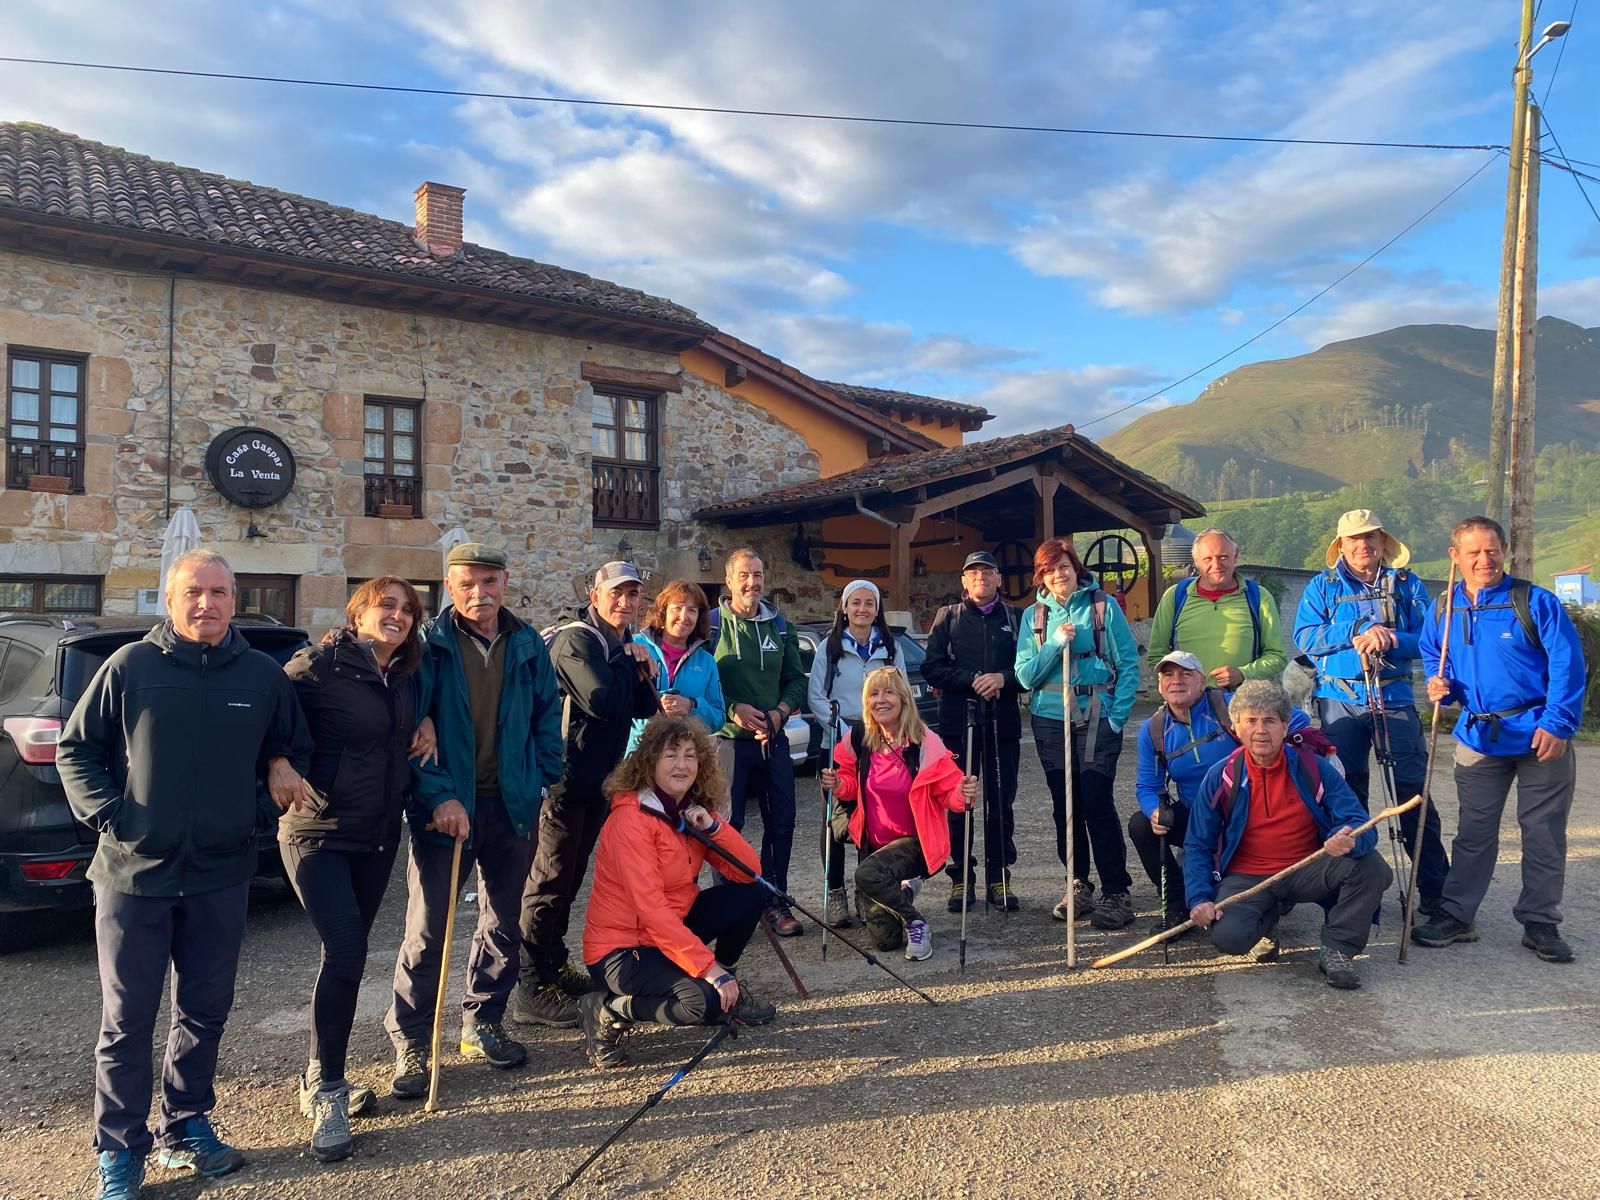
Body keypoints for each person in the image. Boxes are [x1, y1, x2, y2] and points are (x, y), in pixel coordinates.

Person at [58, 549, 312, 1200]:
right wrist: (113, 818)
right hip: (132, 878)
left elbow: (292, 749)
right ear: (171, 601)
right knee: (127, 1022)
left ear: (235, 599)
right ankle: (120, 1150)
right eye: (194, 592)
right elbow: (76, 749)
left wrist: (255, 813)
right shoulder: (131, 668)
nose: (207, 603)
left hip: (220, 875)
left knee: (204, 1012)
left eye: (220, 592)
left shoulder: (261, 675)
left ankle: (186, 1124)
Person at [386, 543, 562, 1096]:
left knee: (503, 920)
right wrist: (438, 797)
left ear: (505, 582)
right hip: (446, 808)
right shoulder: (427, 646)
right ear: (449, 586)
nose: (478, 594)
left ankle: (483, 1019)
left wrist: (543, 779)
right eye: (467, 584)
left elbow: (544, 717)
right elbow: (412, 730)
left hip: (512, 806)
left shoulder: (529, 643)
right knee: (428, 926)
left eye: (489, 582)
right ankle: (413, 1039)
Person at [279, 577, 432, 1163]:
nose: (396, 616)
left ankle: (319, 1067)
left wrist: (431, 722)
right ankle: (328, 1090)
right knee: (345, 952)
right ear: (359, 612)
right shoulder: (318, 666)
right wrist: (275, 761)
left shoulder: (408, 673)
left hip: (376, 837)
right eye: (385, 606)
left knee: (344, 954)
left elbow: (426, 710)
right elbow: (271, 716)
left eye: (407, 610)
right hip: (316, 833)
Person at [1410, 516, 1588, 963]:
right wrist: (1439, 681)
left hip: (1539, 735)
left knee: (1542, 832)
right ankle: (1457, 915)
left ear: (1504, 550)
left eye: (1491, 550)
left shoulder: (1534, 602)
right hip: (1478, 734)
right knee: (1473, 831)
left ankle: (1540, 923)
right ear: (1456, 556)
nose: (1484, 560)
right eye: (1473, 552)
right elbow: (1434, 651)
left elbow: (1569, 663)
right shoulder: (1443, 608)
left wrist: (1559, 723)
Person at [578, 715, 776, 1068]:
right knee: (701, 1003)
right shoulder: (629, 820)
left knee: (752, 894)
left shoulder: (688, 810)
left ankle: (727, 986)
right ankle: (607, 1010)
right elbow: (651, 910)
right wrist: (708, 969)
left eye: (690, 755)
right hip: (622, 949)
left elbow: (750, 873)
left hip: (668, 932)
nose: (682, 765)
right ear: (649, 761)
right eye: (671, 755)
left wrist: (713, 827)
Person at [514, 560, 660, 1028]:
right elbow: (602, 701)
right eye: (616, 593)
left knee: (570, 879)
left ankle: (554, 968)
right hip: (562, 783)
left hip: (595, 782)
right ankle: (531, 987)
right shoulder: (579, 639)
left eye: (633, 595)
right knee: (549, 882)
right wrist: (628, 659)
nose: (625, 602)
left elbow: (643, 706)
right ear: (594, 596)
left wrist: (635, 659)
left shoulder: (617, 644)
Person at [1293, 509, 1450, 915]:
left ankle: (1436, 892)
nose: (1364, 545)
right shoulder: (1322, 587)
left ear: (1383, 542)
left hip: (1394, 698)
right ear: (1341, 545)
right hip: (1340, 699)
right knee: (1347, 792)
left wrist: (1394, 637)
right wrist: (1356, 630)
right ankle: (1352, 890)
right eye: (1355, 539)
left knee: (1413, 795)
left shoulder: (1407, 585)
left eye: (1371, 538)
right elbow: (1306, 638)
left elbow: (1433, 642)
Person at [1186, 680, 1392, 989]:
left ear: (1285, 726)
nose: (1260, 730)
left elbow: (1358, 820)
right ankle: (1267, 922)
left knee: (1371, 867)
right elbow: (1198, 844)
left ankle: (1338, 948)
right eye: (1251, 721)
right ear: (1236, 728)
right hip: (1249, 877)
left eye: (1270, 720)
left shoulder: (1314, 768)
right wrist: (1199, 897)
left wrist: (1348, 837)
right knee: (1229, 938)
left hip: (1308, 867)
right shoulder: (1221, 776)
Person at [1131, 651, 1314, 937]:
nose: (1176, 681)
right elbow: (1147, 785)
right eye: (1168, 675)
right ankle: (1177, 906)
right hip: (1199, 821)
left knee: (1232, 904)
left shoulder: (1227, 706)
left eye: (1185, 674)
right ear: (1159, 685)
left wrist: (1260, 744)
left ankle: (1276, 891)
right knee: (1141, 825)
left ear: (1202, 682)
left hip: (1248, 819)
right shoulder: (1154, 729)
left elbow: (1297, 721)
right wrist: (1154, 809)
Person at [1014, 539, 1139, 928]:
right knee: (1064, 808)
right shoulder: (1033, 617)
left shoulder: (1103, 606)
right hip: (1050, 720)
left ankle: (1116, 890)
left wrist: (1118, 717)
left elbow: (1129, 663)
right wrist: (1054, 643)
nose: (1058, 575)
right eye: (1050, 570)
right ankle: (1078, 884)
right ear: (1042, 576)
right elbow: (1024, 676)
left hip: (1097, 718)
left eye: (1064, 567)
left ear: (1075, 568)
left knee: (1096, 801)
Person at [820, 668, 978, 958]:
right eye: (874, 694)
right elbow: (848, 785)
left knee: (866, 874)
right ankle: (903, 892)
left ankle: (915, 921)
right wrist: (839, 783)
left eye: (888, 692)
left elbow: (949, 793)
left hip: (913, 843)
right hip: (873, 845)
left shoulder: (924, 742)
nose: (881, 700)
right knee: (885, 941)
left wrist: (963, 793)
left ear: (903, 698)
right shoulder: (858, 738)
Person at [922, 550, 1026, 913]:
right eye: (973, 572)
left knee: (1001, 803)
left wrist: (1003, 679)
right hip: (958, 726)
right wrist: (971, 680)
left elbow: (1029, 671)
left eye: (987, 571)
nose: (980, 576)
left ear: (999, 579)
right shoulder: (947, 618)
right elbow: (931, 668)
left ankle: (1000, 876)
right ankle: (960, 877)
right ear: (964, 581)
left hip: (1003, 725)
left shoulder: (1017, 618)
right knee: (958, 803)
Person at [711, 548, 808, 937]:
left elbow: (796, 680)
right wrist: (734, 708)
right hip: (729, 741)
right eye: (745, 575)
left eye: (758, 574)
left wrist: (780, 713)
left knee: (781, 821)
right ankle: (728, 908)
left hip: (774, 737)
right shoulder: (712, 625)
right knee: (727, 825)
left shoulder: (781, 627)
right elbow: (702, 680)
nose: (753, 582)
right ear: (729, 580)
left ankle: (774, 902)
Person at [807, 578, 907, 925]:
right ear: (845, 608)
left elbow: (902, 693)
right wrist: (848, 733)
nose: (862, 609)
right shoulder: (829, 648)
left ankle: (870, 890)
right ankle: (835, 891)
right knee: (835, 820)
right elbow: (816, 696)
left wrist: (881, 731)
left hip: (879, 746)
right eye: (856, 603)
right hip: (837, 742)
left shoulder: (890, 648)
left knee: (873, 820)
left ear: (877, 610)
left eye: (869, 603)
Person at [1148, 528, 1287, 689]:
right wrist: (1181, 682)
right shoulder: (1175, 596)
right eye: (1208, 559)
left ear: (1235, 556)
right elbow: (1156, 657)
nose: (1216, 565)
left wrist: (1244, 674)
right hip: (1188, 708)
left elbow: (1277, 656)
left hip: (1241, 706)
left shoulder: (1258, 597)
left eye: (1223, 557)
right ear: (1196, 561)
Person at [628, 579, 726, 752]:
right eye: (677, 608)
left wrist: (691, 706)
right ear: (663, 612)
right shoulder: (636, 648)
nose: (684, 616)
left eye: (692, 610)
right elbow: (617, 706)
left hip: (684, 758)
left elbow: (718, 718)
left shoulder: (706, 662)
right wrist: (652, 710)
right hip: (638, 753)